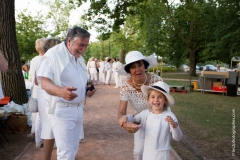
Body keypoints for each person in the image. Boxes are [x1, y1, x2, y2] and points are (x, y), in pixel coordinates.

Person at [37, 26, 96, 160]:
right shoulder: (53, 55)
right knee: (66, 153)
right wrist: (61, 91)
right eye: (81, 45)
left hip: (78, 109)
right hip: (62, 109)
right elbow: (43, 82)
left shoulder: (78, 57)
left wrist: (86, 89)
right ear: (69, 41)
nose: (84, 49)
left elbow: (76, 80)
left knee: (72, 149)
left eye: (86, 45)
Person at [117, 51, 164, 160]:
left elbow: (163, 104)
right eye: (133, 67)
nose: (137, 69)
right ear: (129, 70)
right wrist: (124, 124)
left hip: (159, 119)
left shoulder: (157, 81)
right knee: (138, 152)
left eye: (140, 65)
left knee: (157, 151)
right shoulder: (126, 86)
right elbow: (121, 112)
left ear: (145, 66)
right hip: (140, 121)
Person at [119, 81, 183, 160]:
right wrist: (125, 117)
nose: (156, 100)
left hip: (162, 156)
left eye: (160, 97)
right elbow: (134, 118)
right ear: (148, 100)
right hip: (148, 154)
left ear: (165, 100)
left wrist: (175, 126)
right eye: (153, 97)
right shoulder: (145, 114)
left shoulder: (169, 116)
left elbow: (178, 138)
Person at [34, 38, 61, 160]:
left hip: (44, 94)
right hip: (47, 95)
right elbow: (38, 80)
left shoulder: (41, 60)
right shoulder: (47, 60)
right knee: (50, 127)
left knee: (49, 127)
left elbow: (36, 80)